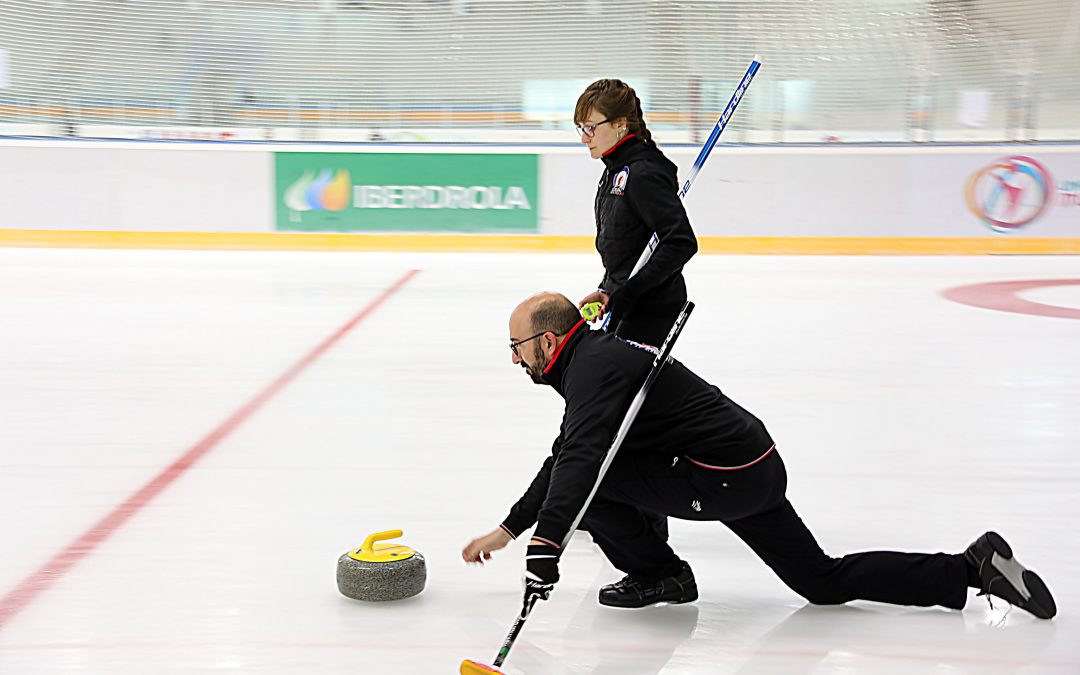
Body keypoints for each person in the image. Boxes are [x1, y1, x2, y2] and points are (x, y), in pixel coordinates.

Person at [461, 292, 1057, 620]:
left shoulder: (593, 369)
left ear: (547, 340)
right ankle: (971, 566)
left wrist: (545, 546)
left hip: (724, 476)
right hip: (752, 465)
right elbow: (570, 450)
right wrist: (513, 528)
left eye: (517, 347)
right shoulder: (595, 360)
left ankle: (660, 574)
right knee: (821, 581)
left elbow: (579, 462)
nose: (515, 360)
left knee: (589, 486)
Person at [573, 79, 699, 348]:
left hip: (650, 309)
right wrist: (607, 290)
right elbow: (626, 246)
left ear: (620, 123)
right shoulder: (614, 170)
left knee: (613, 385)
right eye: (581, 128)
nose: (584, 137)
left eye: (591, 128)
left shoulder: (643, 174)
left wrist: (629, 292)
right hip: (627, 303)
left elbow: (681, 242)